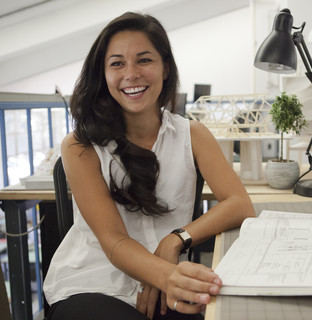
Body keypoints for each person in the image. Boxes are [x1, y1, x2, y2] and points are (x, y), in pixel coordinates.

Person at [43, 11, 255, 320]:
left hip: (168, 282)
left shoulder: (192, 135)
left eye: (144, 60)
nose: (131, 74)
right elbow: (114, 241)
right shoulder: (80, 145)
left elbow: (239, 204)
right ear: (103, 74)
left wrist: (175, 241)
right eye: (117, 63)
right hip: (93, 285)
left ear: (165, 67)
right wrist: (164, 275)